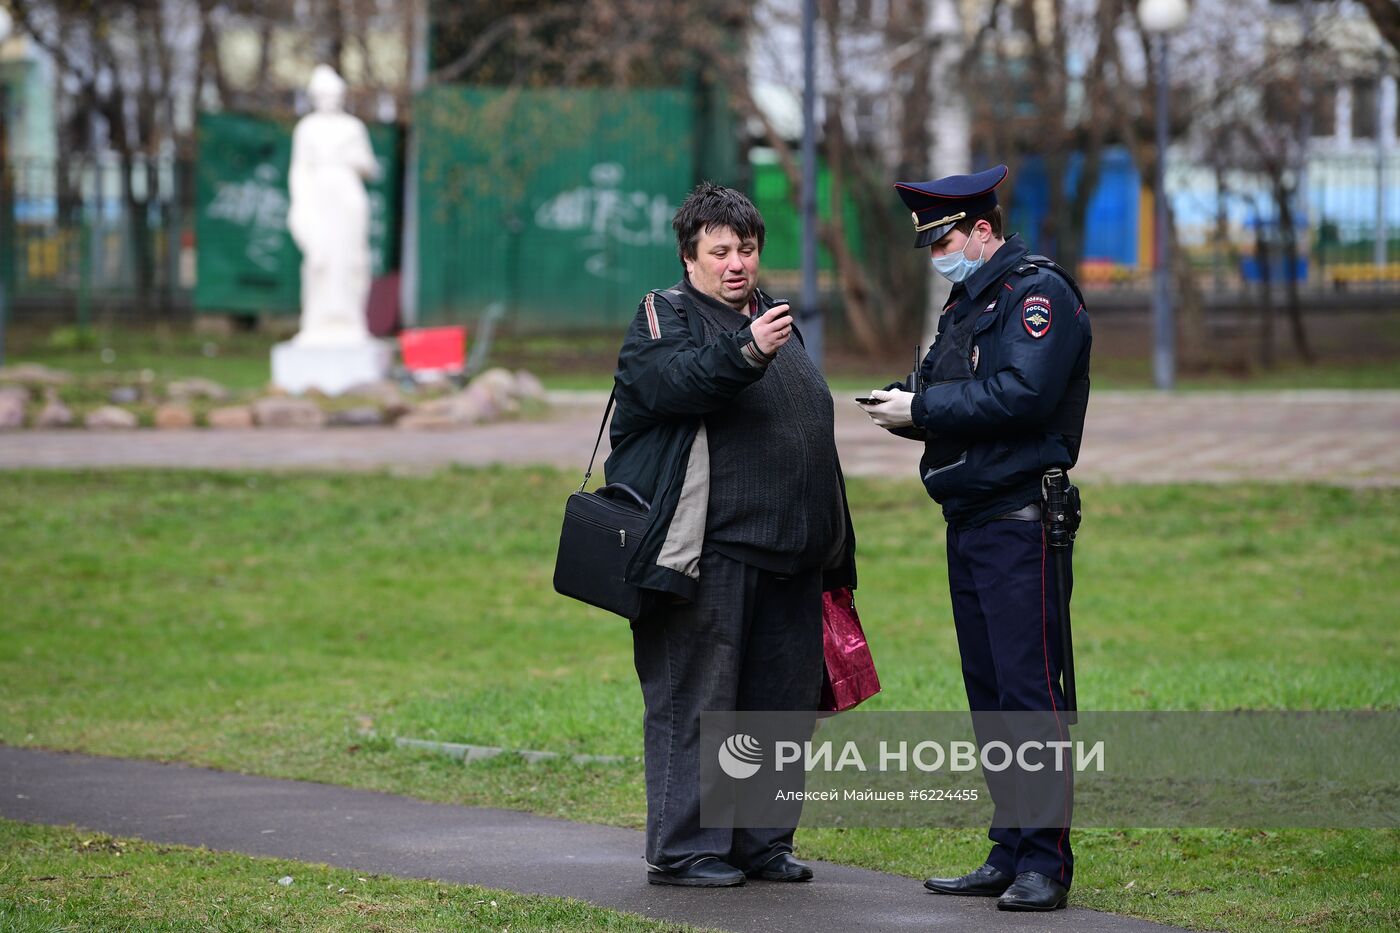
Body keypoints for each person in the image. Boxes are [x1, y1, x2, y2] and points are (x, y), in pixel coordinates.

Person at [604, 182, 858, 888]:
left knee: (777, 710)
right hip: (706, 555)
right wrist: (746, 350)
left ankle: (760, 844)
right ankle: (687, 849)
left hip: (794, 554)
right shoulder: (666, 314)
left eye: (745, 248)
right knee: (698, 705)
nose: (736, 262)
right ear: (691, 257)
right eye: (720, 251)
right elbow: (672, 385)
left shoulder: (778, 323)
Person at [858, 165, 1091, 912]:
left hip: (1021, 518)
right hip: (972, 517)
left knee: (1028, 694)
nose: (938, 256)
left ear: (983, 230)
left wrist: (922, 408)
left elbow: (1022, 395)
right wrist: (901, 398)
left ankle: (1045, 862)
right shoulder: (969, 301)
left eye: (945, 240)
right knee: (990, 696)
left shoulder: (1036, 295)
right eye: (930, 246)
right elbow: (945, 383)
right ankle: (1009, 845)